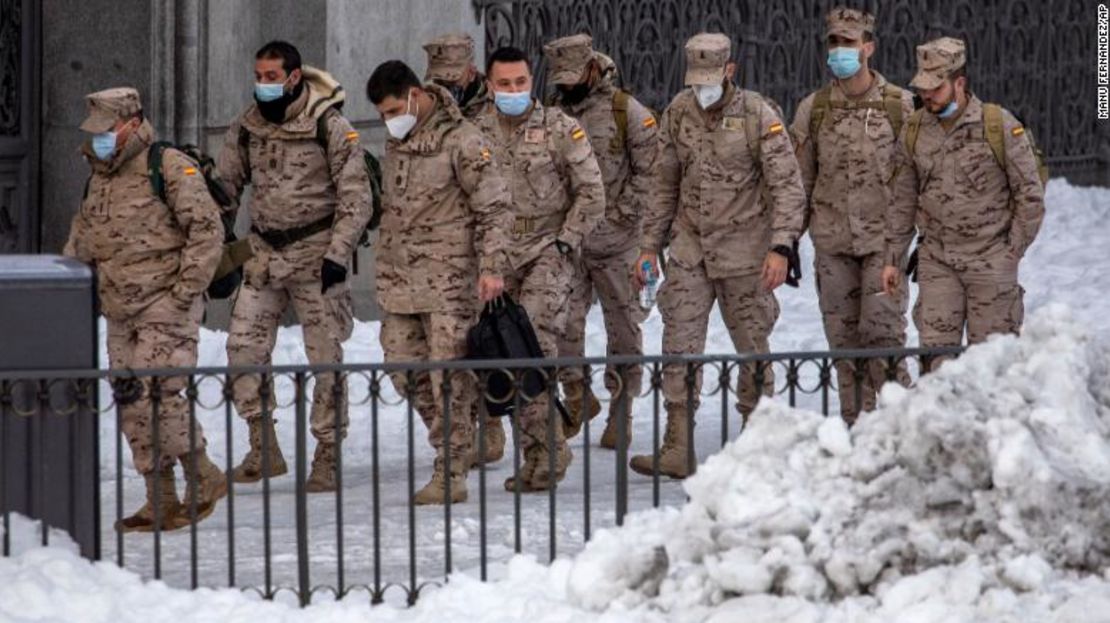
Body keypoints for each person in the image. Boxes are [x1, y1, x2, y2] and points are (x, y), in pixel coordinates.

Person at [632, 33, 806, 479]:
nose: (702, 88)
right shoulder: (678, 112)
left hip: (746, 251)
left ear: (730, 71)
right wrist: (649, 246)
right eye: (696, 81)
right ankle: (678, 443)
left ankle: (757, 437)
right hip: (691, 249)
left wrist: (781, 247)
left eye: (711, 79)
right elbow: (663, 183)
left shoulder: (757, 116)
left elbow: (788, 187)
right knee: (679, 344)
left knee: (752, 346)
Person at [64, 87, 226, 532]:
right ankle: (160, 498)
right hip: (119, 309)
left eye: (106, 131)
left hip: (165, 304)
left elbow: (206, 233)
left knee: (160, 394)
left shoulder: (168, 165)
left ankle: (203, 475)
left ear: (132, 123)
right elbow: (82, 238)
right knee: (131, 402)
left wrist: (183, 294)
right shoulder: (98, 175)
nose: (98, 140)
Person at [217, 40, 372, 492]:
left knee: (325, 359)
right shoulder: (246, 126)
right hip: (263, 256)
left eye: (271, 77)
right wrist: (217, 241)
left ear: (294, 77)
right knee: (242, 350)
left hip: (316, 256)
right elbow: (227, 188)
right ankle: (262, 446)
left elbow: (356, 198)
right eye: (258, 76)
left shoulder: (330, 126)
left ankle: (327, 454)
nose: (263, 85)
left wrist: (338, 256)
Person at [366, 59, 512, 504]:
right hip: (399, 282)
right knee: (402, 371)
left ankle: (450, 470)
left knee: (447, 379)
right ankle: (466, 432)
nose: (389, 121)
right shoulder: (401, 143)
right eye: (383, 115)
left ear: (415, 95)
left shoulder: (463, 140)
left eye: (393, 110)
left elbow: (495, 206)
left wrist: (492, 266)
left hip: (449, 282)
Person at [472, 46, 605, 492]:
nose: (514, 91)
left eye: (521, 83)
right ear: (490, 87)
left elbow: (592, 193)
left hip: (548, 249)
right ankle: (536, 453)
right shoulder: (474, 133)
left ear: (533, 81)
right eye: (505, 84)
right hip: (496, 256)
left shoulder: (560, 129)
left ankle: (548, 451)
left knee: (531, 347)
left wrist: (566, 242)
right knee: (504, 354)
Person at [883, 37, 1045, 369]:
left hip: (990, 262)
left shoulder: (997, 124)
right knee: (936, 367)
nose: (927, 95)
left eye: (936, 87)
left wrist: (1010, 253)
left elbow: (1030, 196)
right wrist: (892, 259)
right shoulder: (914, 130)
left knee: (992, 369)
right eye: (923, 88)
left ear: (959, 82)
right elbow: (902, 201)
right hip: (938, 262)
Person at [789, 7, 914, 424]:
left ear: (868, 47)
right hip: (833, 245)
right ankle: (856, 429)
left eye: (849, 42)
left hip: (884, 245)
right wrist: (784, 241)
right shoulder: (815, 108)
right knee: (844, 346)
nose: (840, 51)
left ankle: (905, 426)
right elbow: (799, 183)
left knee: (882, 338)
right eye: (834, 43)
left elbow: (922, 178)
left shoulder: (901, 107)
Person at [543, 34, 658, 449]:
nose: (568, 85)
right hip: (568, 243)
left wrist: (619, 218)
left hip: (618, 244)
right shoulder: (552, 113)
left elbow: (651, 175)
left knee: (624, 330)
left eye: (574, 77)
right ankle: (577, 394)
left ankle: (621, 409)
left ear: (592, 68)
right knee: (561, 326)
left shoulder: (628, 112)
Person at [423, 33, 491, 119]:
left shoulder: (493, 107)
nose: (444, 89)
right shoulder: (428, 106)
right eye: (439, 81)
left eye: (453, 80)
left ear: (471, 73)